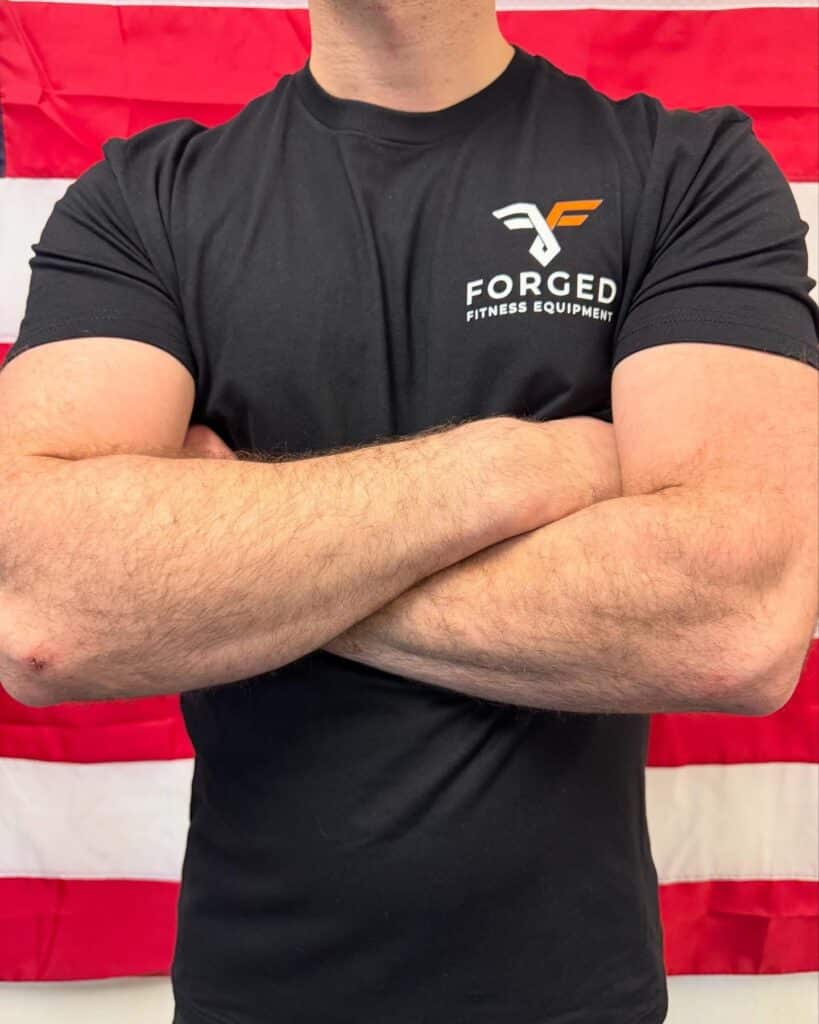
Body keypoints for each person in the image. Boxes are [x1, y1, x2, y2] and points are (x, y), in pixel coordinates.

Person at [1, 1, 817, 1021]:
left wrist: (233, 546)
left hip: (575, 998)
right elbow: (44, 606)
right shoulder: (143, 201)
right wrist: (515, 467)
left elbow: (733, 623)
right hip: (252, 995)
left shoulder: (686, 174)